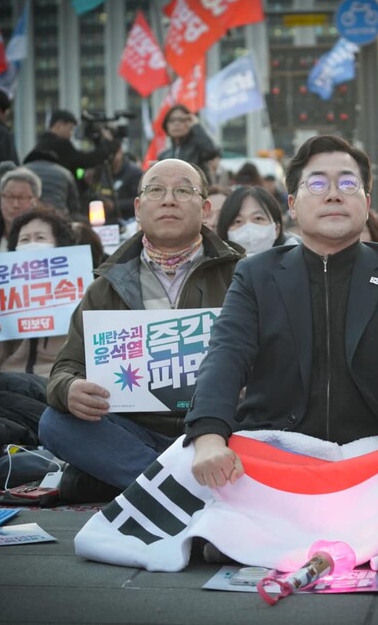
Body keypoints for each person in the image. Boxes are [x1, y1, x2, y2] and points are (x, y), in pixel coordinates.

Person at [185, 134, 378, 514]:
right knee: (186, 467)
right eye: (317, 183)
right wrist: (208, 437)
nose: (334, 194)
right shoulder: (255, 274)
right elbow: (225, 356)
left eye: (348, 183)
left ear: (366, 204)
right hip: (277, 447)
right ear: (292, 205)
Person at [41, 158, 243, 499]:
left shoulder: (241, 274)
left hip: (222, 430)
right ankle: (183, 494)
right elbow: (66, 367)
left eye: (183, 190)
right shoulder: (106, 286)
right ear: (138, 207)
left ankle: (151, 489)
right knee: (55, 422)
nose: (168, 200)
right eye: (155, 190)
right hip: (137, 434)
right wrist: (70, 389)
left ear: (205, 208)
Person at [0, 209, 76, 379]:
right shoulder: (2, 292)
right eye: (24, 240)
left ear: (59, 245)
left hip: (57, 384)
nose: (31, 244)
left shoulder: (79, 290)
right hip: (8, 382)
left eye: (40, 238)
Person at [0, 168, 41, 256]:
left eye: (22, 197)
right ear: (0, 199)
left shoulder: (47, 241)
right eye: (9, 196)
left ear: (35, 201)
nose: (15, 204)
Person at [215, 185, 298, 255]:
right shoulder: (214, 271)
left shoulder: (299, 266)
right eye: (238, 221)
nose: (249, 228)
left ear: (276, 229)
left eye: (258, 218)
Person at [31, 109, 114, 180]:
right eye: (70, 129)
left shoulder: (42, 143)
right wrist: (107, 143)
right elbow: (83, 161)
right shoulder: (59, 144)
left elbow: (74, 168)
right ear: (60, 125)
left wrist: (82, 175)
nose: (70, 134)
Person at [157, 105, 219, 180]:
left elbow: (211, 151)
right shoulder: (164, 155)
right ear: (166, 125)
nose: (176, 123)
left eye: (181, 120)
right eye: (172, 120)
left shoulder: (198, 149)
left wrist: (196, 126)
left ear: (190, 122)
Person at [22, 149, 80, 217]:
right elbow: (73, 204)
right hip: (58, 214)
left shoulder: (21, 171)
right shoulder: (65, 173)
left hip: (29, 213)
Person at [111, 146, 142, 221]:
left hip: (129, 219)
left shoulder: (134, 172)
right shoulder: (101, 171)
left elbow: (139, 198)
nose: (111, 157)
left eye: (114, 153)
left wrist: (114, 205)